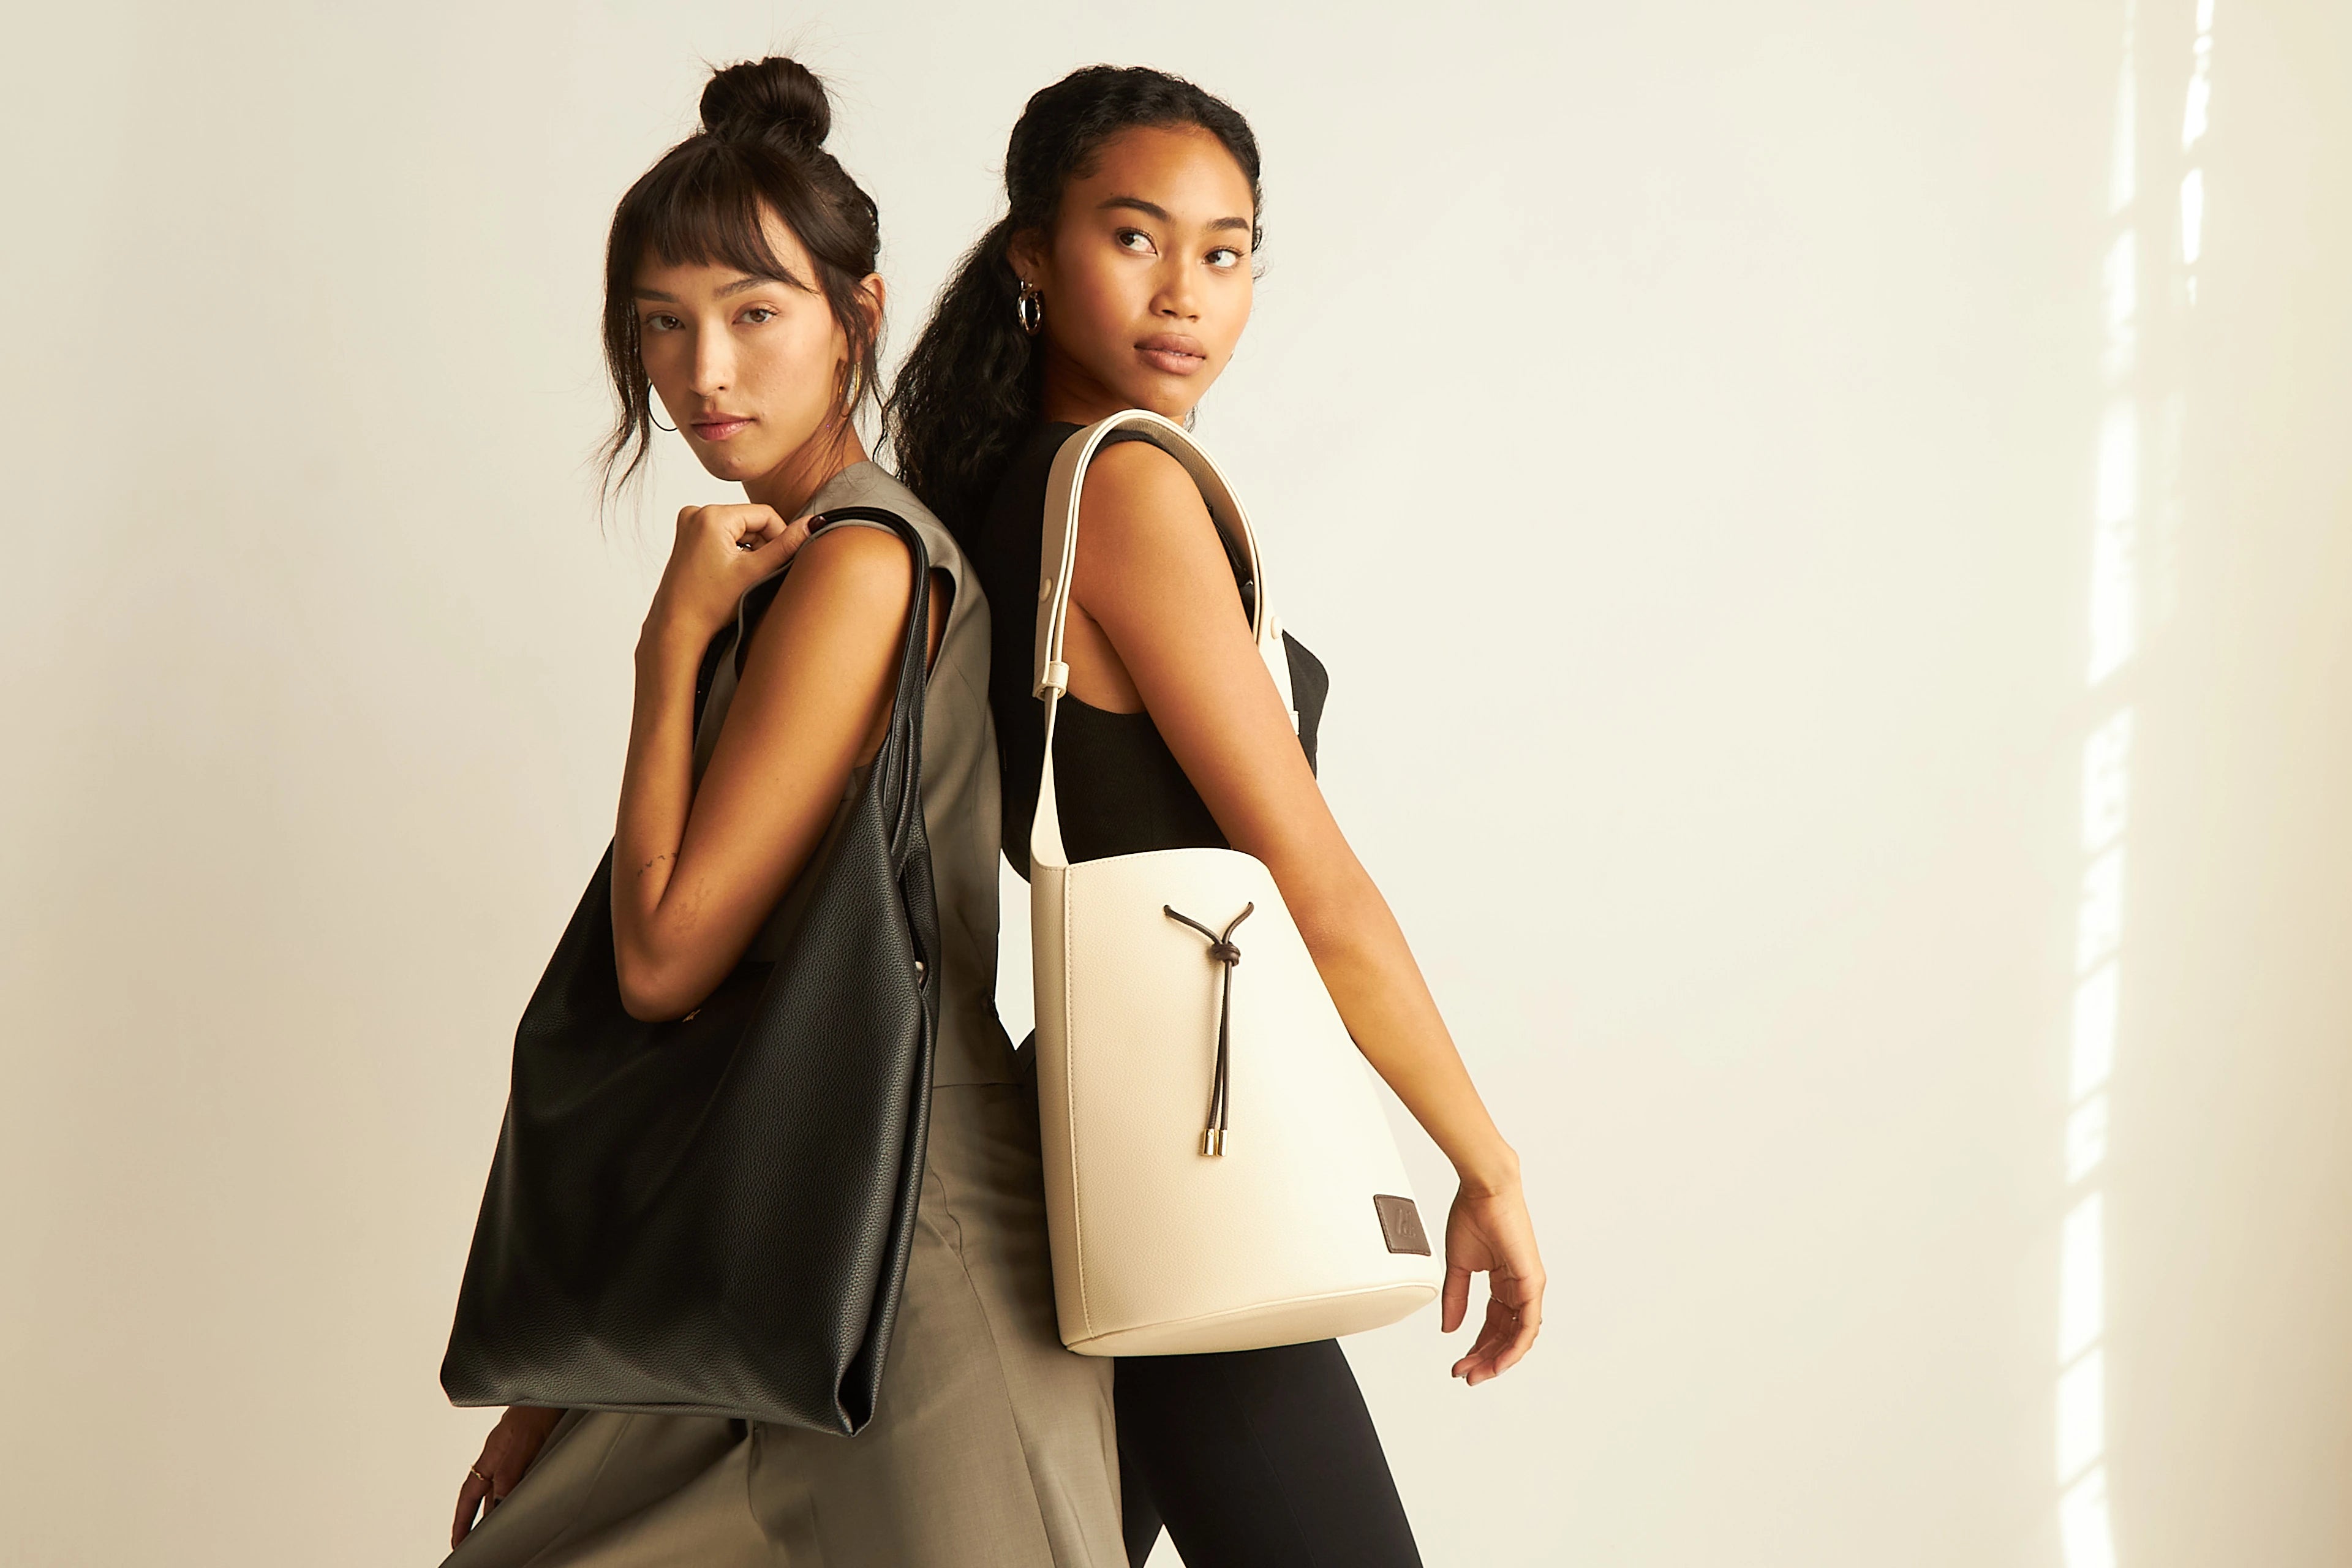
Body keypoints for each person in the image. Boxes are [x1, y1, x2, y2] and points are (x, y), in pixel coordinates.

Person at [443, 56, 1122, 1567]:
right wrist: (569, 1376)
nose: (707, 374)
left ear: (854, 316)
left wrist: (665, 644)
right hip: (777, 1220)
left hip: (917, 1240)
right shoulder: (795, 560)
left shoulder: (859, 565)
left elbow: (668, 961)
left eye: (756, 314)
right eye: (663, 327)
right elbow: (718, 1015)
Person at [890, 64, 1548, 1568]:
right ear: (1031, 256)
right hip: (1188, 1133)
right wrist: (1487, 1165)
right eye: (1135, 236)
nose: (1186, 289)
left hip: (1119, 1120)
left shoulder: (1003, 485)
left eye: (1226, 249)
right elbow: (1306, 880)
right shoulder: (1119, 489)